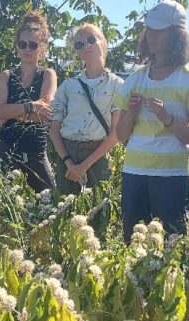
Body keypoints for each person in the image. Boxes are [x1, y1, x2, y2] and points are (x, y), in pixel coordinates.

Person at [114, 0, 189, 241]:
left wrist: (167, 119)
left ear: (178, 35)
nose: (151, 35)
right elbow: (120, 135)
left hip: (172, 177)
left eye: (159, 30)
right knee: (132, 244)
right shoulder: (134, 79)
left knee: (172, 246)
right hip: (134, 173)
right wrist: (132, 112)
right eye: (149, 29)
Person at [49, 23, 124, 195]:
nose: (86, 46)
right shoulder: (68, 85)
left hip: (98, 156)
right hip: (67, 155)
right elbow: (54, 131)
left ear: (103, 43)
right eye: (79, 44)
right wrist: (69, 163)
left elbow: (115, 135)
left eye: (91, 39)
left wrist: (84, 166)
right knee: (63, 214)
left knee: (98, 215)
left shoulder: (117, 85)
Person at [0, 11, 57, 192]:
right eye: (23, 44)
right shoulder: (7, 76)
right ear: (17, 47)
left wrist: (11, 113)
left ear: (42, 47)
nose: (27, 49)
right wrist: (30, 107)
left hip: (35, 151)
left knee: (49, 202)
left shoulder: (47, 74)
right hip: (6, 150)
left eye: (33, 44)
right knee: (3, 207)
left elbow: (44, 113)